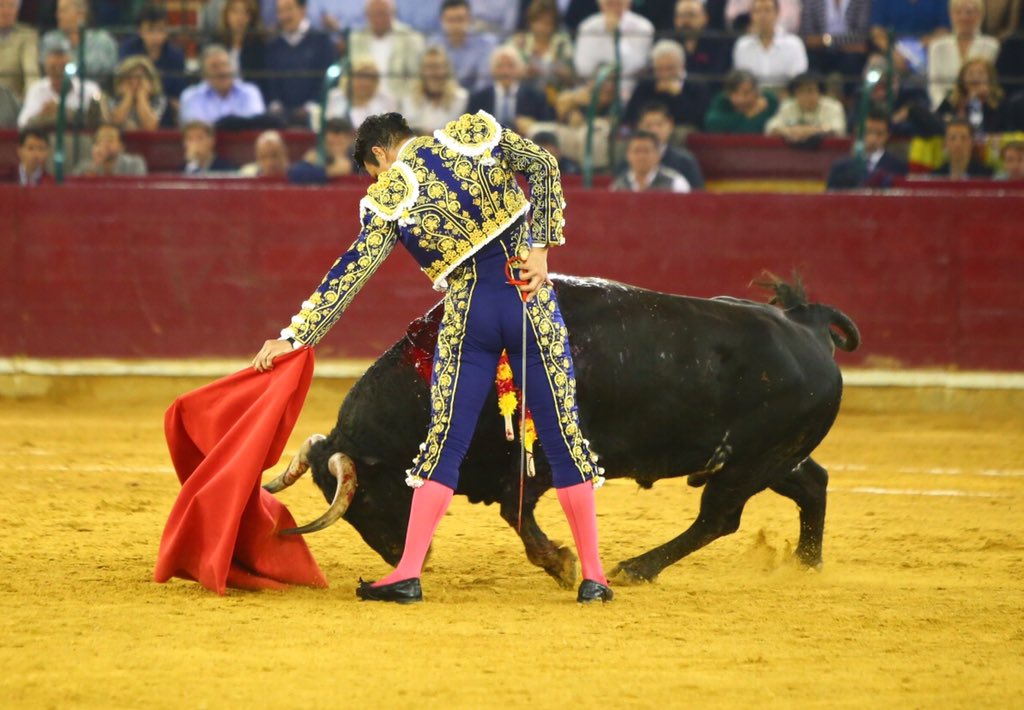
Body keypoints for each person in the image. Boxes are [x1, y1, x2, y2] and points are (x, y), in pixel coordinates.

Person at [251, 111, 613, 604]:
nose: (376, 180)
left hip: (468, 315)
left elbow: (350, 273)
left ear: (379, 153)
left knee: (445, 443)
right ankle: (595, 578)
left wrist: (294, 337)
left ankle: (407, 574)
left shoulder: (390, 193)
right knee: (563, 437)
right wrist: (541, 248)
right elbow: (544, 165)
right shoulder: (471, 135)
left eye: (372, 171)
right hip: (529, 299)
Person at [264, 0, 338, 127]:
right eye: (280, 11)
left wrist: (311, 106)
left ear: (303, 9)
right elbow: (270, 84)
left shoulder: (322, 42)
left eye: (288, 9)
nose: (284, 16)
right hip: (281, 122)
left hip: (316, 119)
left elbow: (329, 82)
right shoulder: (273, 46)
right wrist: (276, 105)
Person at [574, 0, 655, 102]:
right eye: (609, 3)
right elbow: (583, 67)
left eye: (617, 2)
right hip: (594, 90)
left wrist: (614, 35)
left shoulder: (643, 27)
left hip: (630, 93)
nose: (613, 4)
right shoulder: (587, 26)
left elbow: (635, 64)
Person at [18, 33, 103, 129]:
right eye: (53, 68)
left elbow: (99, 120)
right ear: (46, 68)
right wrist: (42, 114)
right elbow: (22, 123)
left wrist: (63, 111)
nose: (58, 73)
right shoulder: (37, 89)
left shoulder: (89, 89)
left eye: (63, 67)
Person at [622, 38, 710, 130]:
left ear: (682, 65)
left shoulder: (697, 85)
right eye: (660, 69)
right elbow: (631, 115)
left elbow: (697, 119)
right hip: (648, 129)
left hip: (680, 130)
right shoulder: (646, 84)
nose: (665, 74)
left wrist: (678, 96)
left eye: (670, 68)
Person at [928, 0, 1000, 108]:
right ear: (951, 15)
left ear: (980, 15)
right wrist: (946, 107)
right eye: (958, 12)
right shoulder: (937, 47)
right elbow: (934, 86)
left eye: (969, 12)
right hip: (944, 109)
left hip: (981, 107)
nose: (964, 17)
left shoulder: (992, 46)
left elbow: (991, 84)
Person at [348, 0, 425, 99]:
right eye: (374, 14)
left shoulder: (410, 38)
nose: (378, 18)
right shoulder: (357, 38)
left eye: (382, 13)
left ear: (393, 13)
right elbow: (354, 73)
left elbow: (415, 77)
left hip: (400, 99)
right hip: (365, 99)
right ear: (366, 15)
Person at [468, 45, 554, 133]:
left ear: (520, 69)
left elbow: (548, 128)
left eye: (511, 66)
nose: (505, 72)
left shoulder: (536, 97)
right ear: (492, 69)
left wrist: (533, 126)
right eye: (500, 66)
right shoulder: (478, 98)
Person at [732, 0, 809, 94]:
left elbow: (799, 81)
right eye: (757, 11)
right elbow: (741, 81)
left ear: (777, 13)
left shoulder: (794, 44)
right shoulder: (742, 46)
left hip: (786, 98)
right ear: (751, 15)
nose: (762, 16)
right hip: (751, 99)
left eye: (767, 10)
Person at [179, 45, 266, 126]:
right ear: (204, 74)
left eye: (225, 65)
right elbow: (196, 131)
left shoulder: (250, 92)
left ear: (232, 68)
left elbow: (257, 126)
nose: (222, 71)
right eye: (214, 67)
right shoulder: (191, 96)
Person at [118, 4, 187, 103]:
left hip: (166, 107)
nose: (156, 36)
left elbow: (179, 95)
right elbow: (121, 88)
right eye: (150, 30)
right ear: (140, 31)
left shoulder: (176, 56)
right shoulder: (127, 50)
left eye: (160, 29)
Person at [505, 0, 575, 96]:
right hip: (522, 96)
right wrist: (524, 73)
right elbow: (503, 73)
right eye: (538, 21)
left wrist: (561, 72)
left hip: (555, 96)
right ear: (530, 21)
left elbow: (573, 79)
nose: (543, 27)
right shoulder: (518, 42)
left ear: (555, 24)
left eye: (548, 23)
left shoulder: (563, 43)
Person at [826, 109, 909, 189]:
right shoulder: (840, 167)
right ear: (858, 131)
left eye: (879, 134)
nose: (872, 138)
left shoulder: (897, 167)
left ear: (887, 135)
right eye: (868, 132)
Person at [41, 0, 117, 86]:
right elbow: (48, 69)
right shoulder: (50, 40)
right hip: (57, 91)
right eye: (58, 11)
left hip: (96, 91)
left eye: (63, 11)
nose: (58, 15)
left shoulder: (102, 42)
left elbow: (106, 73)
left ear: (80, 14)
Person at [398, 44, 468, 133]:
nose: (433, 73)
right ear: (421, 71)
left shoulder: (460, 98)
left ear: (447, 69)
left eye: (437, 67)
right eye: (429, 67)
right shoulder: (408, 99)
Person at [634, 101, 705, 188]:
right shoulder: (628, 163)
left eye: (659, 125)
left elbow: (697, 193)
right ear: (640, 127)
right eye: (648, 125)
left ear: (670, 125)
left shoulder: (685, 162)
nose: (654, 130)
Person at [430, 0, 497, 93]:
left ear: (470, 20)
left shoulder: (486, 44)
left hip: (475, 98)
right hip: (443, 98)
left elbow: (484, 85)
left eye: (460, 19)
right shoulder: (433, 44)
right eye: (450, 20)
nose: (456, 26)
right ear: (442, 21)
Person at [869, 0, 951, 75]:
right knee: (875, 67)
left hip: (929, 53)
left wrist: (914, 50)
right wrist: (892, 53)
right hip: (891, 53)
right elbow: (877, 31)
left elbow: (944, 30)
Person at [798, 0, 871, 85]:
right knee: (809, 59)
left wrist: (826, 40)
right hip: (820, 52)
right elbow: (808, 37)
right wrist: (841, 44)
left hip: (849, 54)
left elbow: (860, 35)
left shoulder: (861, 2)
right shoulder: (811, 2)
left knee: (854, 61)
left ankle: (851, 93)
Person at [765, 71, 847, 140]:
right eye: (801, 91)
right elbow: (771, 128)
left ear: (820, 92)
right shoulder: (788, 106)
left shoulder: (833, 106)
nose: (805, 96)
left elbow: (839, 129)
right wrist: (788, 131)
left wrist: (810, 131)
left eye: (810, 91)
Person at [935, 58, 1007, 135]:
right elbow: (937, 123)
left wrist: (976, 101)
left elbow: (983, 129)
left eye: (980, 73)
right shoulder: (951, 100)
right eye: (970, 73)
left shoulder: (998, 102)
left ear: (990, 78)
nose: (975, 77)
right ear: (962, 78)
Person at [672, 0, 733, 91]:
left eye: (691, 15)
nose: (686, 21)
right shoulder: (670, 43)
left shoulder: (718, 43)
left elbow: (717, 78)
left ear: (705, 18)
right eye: (681, 16)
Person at [324, 58, 397, 127]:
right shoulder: (335, 97)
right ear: (349, 78)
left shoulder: (386, 100)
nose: (366, 83)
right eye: (360, 76)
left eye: (371, 78)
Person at [611, 130, 691, 192]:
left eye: (646, 151)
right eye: (636, 151)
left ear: (658, 155)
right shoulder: (618, 186)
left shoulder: (676, 182)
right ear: (628, 155)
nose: (641, 156)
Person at [703, 68, 779, 133]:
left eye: (746, 93)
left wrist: (734, 124)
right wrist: (748, 114)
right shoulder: (722, 99)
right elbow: (711, 123)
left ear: (756, 91)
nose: (740, 99)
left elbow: (753, 130)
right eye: (734, 93)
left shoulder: (768, 100)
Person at [212, 0, 267, 90]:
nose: (239, 18)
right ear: (226, 15)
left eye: (245, 13)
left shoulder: (259, 47)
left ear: (251, 18)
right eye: (235, 12)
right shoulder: (217, 43)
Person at [106, 55, 167, 131]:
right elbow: (114, 123)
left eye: (139, 78)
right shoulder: (114, 96)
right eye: (129, 77)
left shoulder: (158, 98)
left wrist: (142, 96)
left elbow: (150, 126)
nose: (134, 82)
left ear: (150, 80)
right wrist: (128, 97)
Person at [0, 0, 40, 103]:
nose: (5, 11)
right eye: (1, 5)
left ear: (18, 10)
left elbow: (31, 73)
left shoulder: (27, 36)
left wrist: (30, 102)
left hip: (13, 103)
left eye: (11, 6)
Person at [74, 122, 147, 176]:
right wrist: (96, 165)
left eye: (110, 139)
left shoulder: (134, 164)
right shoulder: (84, 167)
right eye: (101, 140)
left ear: (121, 146)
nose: (105, 143)